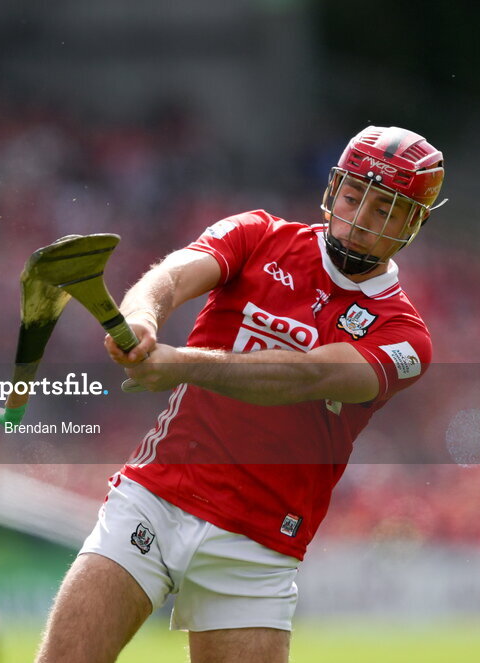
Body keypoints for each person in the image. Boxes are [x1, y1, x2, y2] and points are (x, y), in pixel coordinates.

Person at [34, 126, 446, 663]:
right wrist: (141, 317)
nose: (360, 218)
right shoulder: (259, 235)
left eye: (385, 208)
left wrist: (181, 364)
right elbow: (171, 276)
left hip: (259, 545)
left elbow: (308, 377)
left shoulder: (404, 337)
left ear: (414, 222)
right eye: (353, 194)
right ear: (333, 185)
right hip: (156, 499)